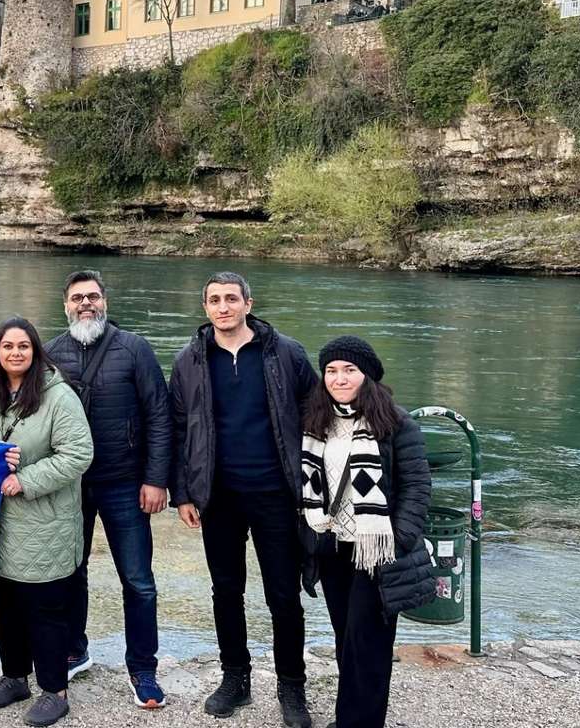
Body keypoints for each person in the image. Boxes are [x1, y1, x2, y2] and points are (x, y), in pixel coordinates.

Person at [167, 272, 319, 728]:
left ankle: (292, 686)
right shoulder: (189, 360)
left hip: (277, 492)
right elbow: (178, 428)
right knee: (226, 590)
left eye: (231, 299)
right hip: (218, 495)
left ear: (248, 304)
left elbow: (316, 413)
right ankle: (235, 677)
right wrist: (183, 493)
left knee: (283, 595)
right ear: (205, 308)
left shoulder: (285, 353)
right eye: (214, 300)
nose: (223, 307)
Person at [45, 269, 170, 708]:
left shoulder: (134, 348)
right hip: (69, 485)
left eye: (93, 296)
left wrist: (156, 479)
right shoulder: (50, 353)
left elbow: (159, 414)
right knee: (68, 572)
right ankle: (74, 650)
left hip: (125, 483)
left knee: (138, 580)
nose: (86, 304)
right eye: (78, 297)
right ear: (65, 305)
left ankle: (143, 669)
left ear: (105, 302)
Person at [300, 337, 433, 728]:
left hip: (377, 549)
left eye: (349, 370)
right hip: (332, 546)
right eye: (331, 370)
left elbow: (417, 486)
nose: (339, 378)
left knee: (368, 643)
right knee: (346, 638)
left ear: (367, 376)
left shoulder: (396, 423)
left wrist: (399, 538)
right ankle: (353, 718)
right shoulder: (316, 423)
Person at [0, 318, 93, 727]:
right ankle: (14, 677)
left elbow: (78, 453)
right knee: (5, 603)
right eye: (7, 346)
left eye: (23, 346)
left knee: (45, 608)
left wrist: (25, 479)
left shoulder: (58, 396)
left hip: (44, 523)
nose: (15, 353)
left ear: (35, 351)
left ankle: (55, 691)